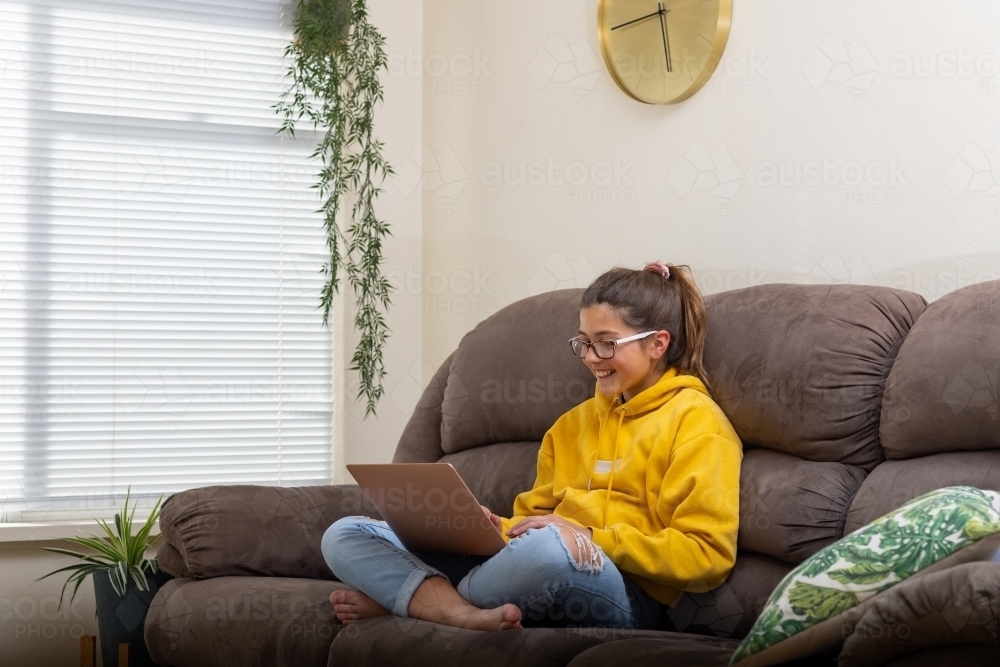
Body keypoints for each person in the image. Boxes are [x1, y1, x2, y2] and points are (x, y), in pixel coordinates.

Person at [321, 261, 743, 632]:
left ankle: (417, 603)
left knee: (548, 550)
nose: (592, 356)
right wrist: (493, 528)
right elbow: (532, 522)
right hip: (534, 564)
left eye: (607, 342)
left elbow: (707, 556)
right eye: (584, 341)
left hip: (627, 591)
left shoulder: (697, 423)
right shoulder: (569, 426)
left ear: (658, 344)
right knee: (346, 534)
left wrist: (590, 536)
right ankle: (449, 608)